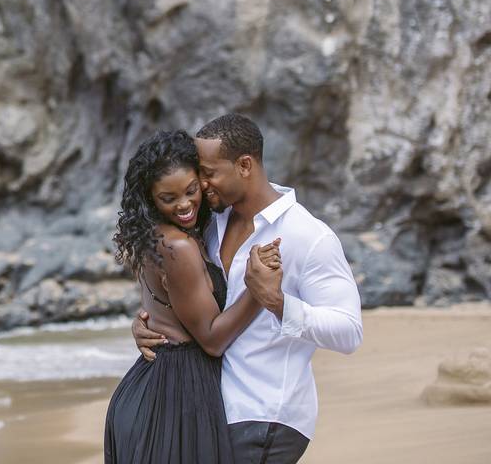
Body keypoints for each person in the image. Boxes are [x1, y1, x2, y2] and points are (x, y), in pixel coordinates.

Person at [132, 114, 363, 463]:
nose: (202, 184)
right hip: (213, 408)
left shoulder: (309, 236)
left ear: (244, 165)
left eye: (208, 173)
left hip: (266, 412)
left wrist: (277, 301)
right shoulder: (212, 224)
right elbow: (187, 295)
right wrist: (152, 325)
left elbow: (349, 332)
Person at [104, 130, 282, 464]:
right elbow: (213, 340)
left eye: (190, 190)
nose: (185, 204)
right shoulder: (179, 246)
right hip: (175, 395)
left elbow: (163, 306)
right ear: (150, 200)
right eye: (168, 198)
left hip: (156, 385)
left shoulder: (166, 235)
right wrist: (257, 289)